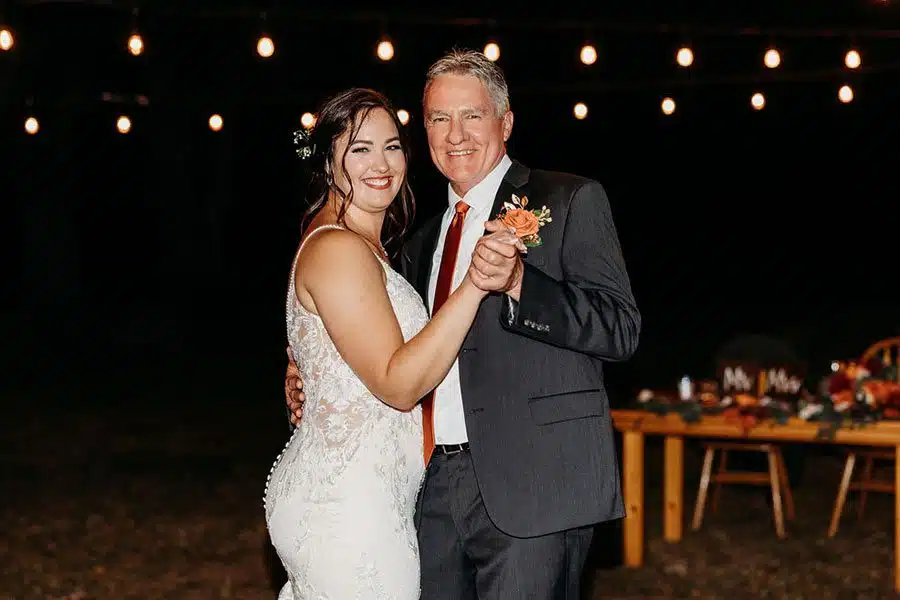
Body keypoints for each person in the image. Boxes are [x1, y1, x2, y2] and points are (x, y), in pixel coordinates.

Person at [286, 49, 641, 599]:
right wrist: (308, 370)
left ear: (505, 121)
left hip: (533, 488)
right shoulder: (419, 241)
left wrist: (524, 284)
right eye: (437, 119)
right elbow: (384, 344)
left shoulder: (567, 199)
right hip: (429, 492)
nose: (455, 134)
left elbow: (621, 329)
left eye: (471, 115)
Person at [264, 87, 525, 600]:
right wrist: (475, 281)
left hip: (371, 498)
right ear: (326, 160)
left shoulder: (371, 249)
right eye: (359, 148)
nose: (380, 163)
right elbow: (398, 383)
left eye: (391, 146)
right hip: (347, 507)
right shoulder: (338, 248)